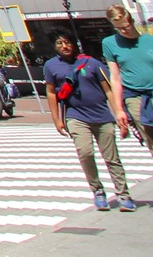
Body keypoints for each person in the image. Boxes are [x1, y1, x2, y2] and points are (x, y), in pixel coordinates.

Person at [43, 30, 136, 211]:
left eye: (68, 42)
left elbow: (108, 89)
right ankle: (98, 190)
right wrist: (56, 119)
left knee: (112, 157)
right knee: (85, 153)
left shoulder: (91, 62)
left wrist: (118, 112)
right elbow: (51, 92)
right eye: (60, 43)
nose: (65, 46)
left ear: (74, 43)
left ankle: (123, 195)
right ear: (54, 46)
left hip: (102, 116)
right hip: (76, 116)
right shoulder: (51, 66)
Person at [102, 3, 153, 151]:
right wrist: (119, 109)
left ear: (131, 21)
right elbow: (115, 78)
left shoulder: (150, 40)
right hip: (135, 96)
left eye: (126, 26)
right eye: (119, 28)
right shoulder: (109, 43)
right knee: (151, 139)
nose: (124, 31)